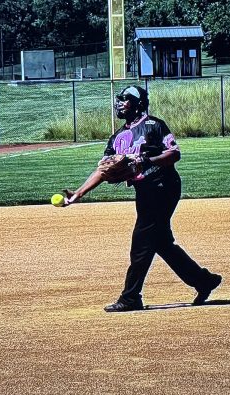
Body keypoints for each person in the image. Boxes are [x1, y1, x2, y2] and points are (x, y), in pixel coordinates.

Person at [64, 85, 222, 312]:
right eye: (119, 99)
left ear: (138, 104)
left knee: (142, 242)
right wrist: (79, 193)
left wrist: (147, 161)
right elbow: (104, 169)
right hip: (145, 191)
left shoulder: (154, 126)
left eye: (125, 99)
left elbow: (174, 153)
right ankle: (204, 280)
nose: (119, 103)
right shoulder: (117, 137)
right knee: (161, 243)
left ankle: (130, 298)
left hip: (164, 186)